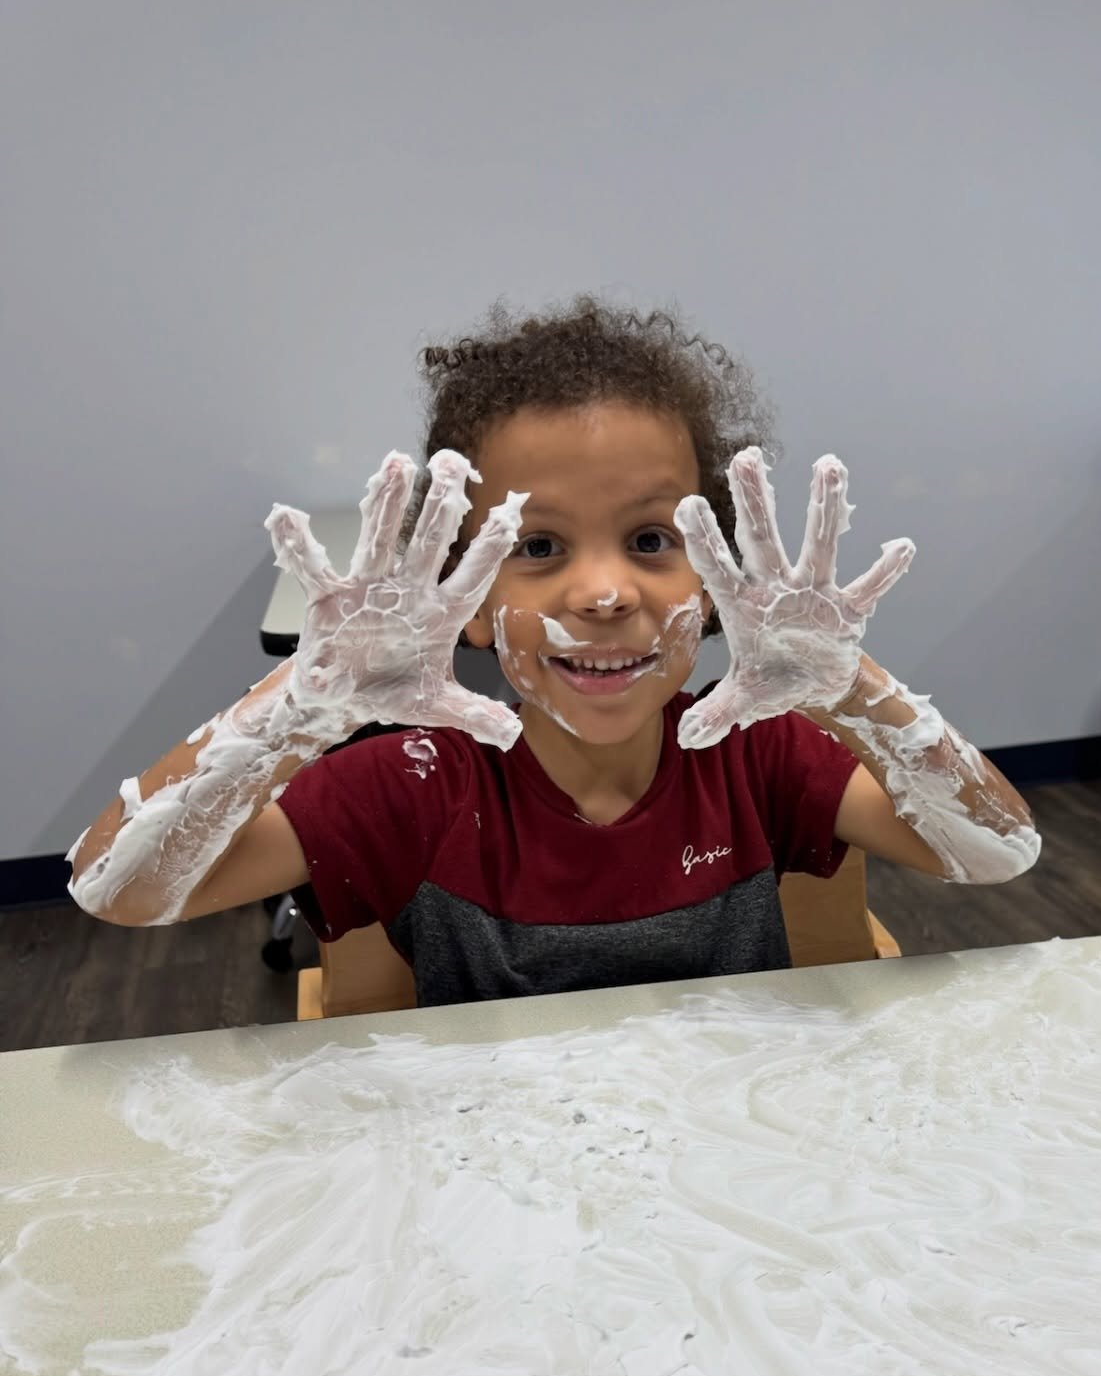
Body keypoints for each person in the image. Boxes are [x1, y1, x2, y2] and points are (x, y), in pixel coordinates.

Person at [68, 298, 1039, 1005]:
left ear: (713, 584)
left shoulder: (763, 758)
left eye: (653, 540)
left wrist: (852, 691)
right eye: (537, 547)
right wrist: (302, 704)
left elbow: (997, 857)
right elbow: (122, 896)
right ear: (474, 604)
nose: (606, 592)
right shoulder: (410, 783)